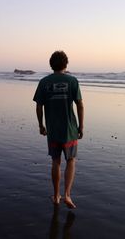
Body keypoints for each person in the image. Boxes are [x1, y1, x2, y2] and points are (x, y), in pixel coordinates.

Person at [33, 51, 84, 208]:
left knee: (56, 162)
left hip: (53, 131)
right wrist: (81, 126)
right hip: (70, 130)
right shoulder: (72, 81)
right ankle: (67, 195)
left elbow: (39, 106)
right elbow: (80, 105)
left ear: (51, 64)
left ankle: (56, 196)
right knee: (71, 160)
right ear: (66, 64)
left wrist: (41, 125)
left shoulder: (44, 82)